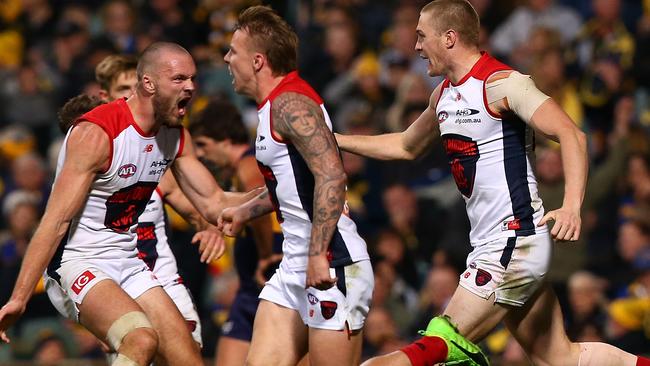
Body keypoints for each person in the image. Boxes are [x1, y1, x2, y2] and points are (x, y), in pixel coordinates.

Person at [335, 1, 650, 366]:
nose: (416, 47)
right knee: (561, 358)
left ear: (449, 38)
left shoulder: (502, 84)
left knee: (442, 339)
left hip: (514, 243)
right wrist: (336, 139)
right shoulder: (443, 95)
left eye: (422, 36)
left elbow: (572, 135)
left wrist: (571, 206)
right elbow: (405, 145)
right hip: (493, 245)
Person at [0, 42, 252, 366]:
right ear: (148, 83)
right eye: (178, 79)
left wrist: (282, 195)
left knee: (188, 358)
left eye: (192, 78)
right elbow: (55, 220)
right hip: (80, 261)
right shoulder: (98, 133)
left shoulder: (173, 135)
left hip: (128, 260)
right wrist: (19, 298)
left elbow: (214, 202)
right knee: (141, 339)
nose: (190, 86)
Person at [219, 6, 374, 366]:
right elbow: (294, 184)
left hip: (332, 262)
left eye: (233, 51)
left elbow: (332, 175)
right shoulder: (274, 106)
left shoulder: (291, 104)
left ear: (258, 61)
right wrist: (247, 210)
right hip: (294, 265)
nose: (226, 59)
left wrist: (319, 254)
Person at [189, 99, 283, 366]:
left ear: (225, 140)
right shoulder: (234, 174)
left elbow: (259, 207)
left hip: (271, 281)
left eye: (204, 144)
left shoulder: (249, 164)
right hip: (248, 290)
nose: (201, 154)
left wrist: (265, 255)